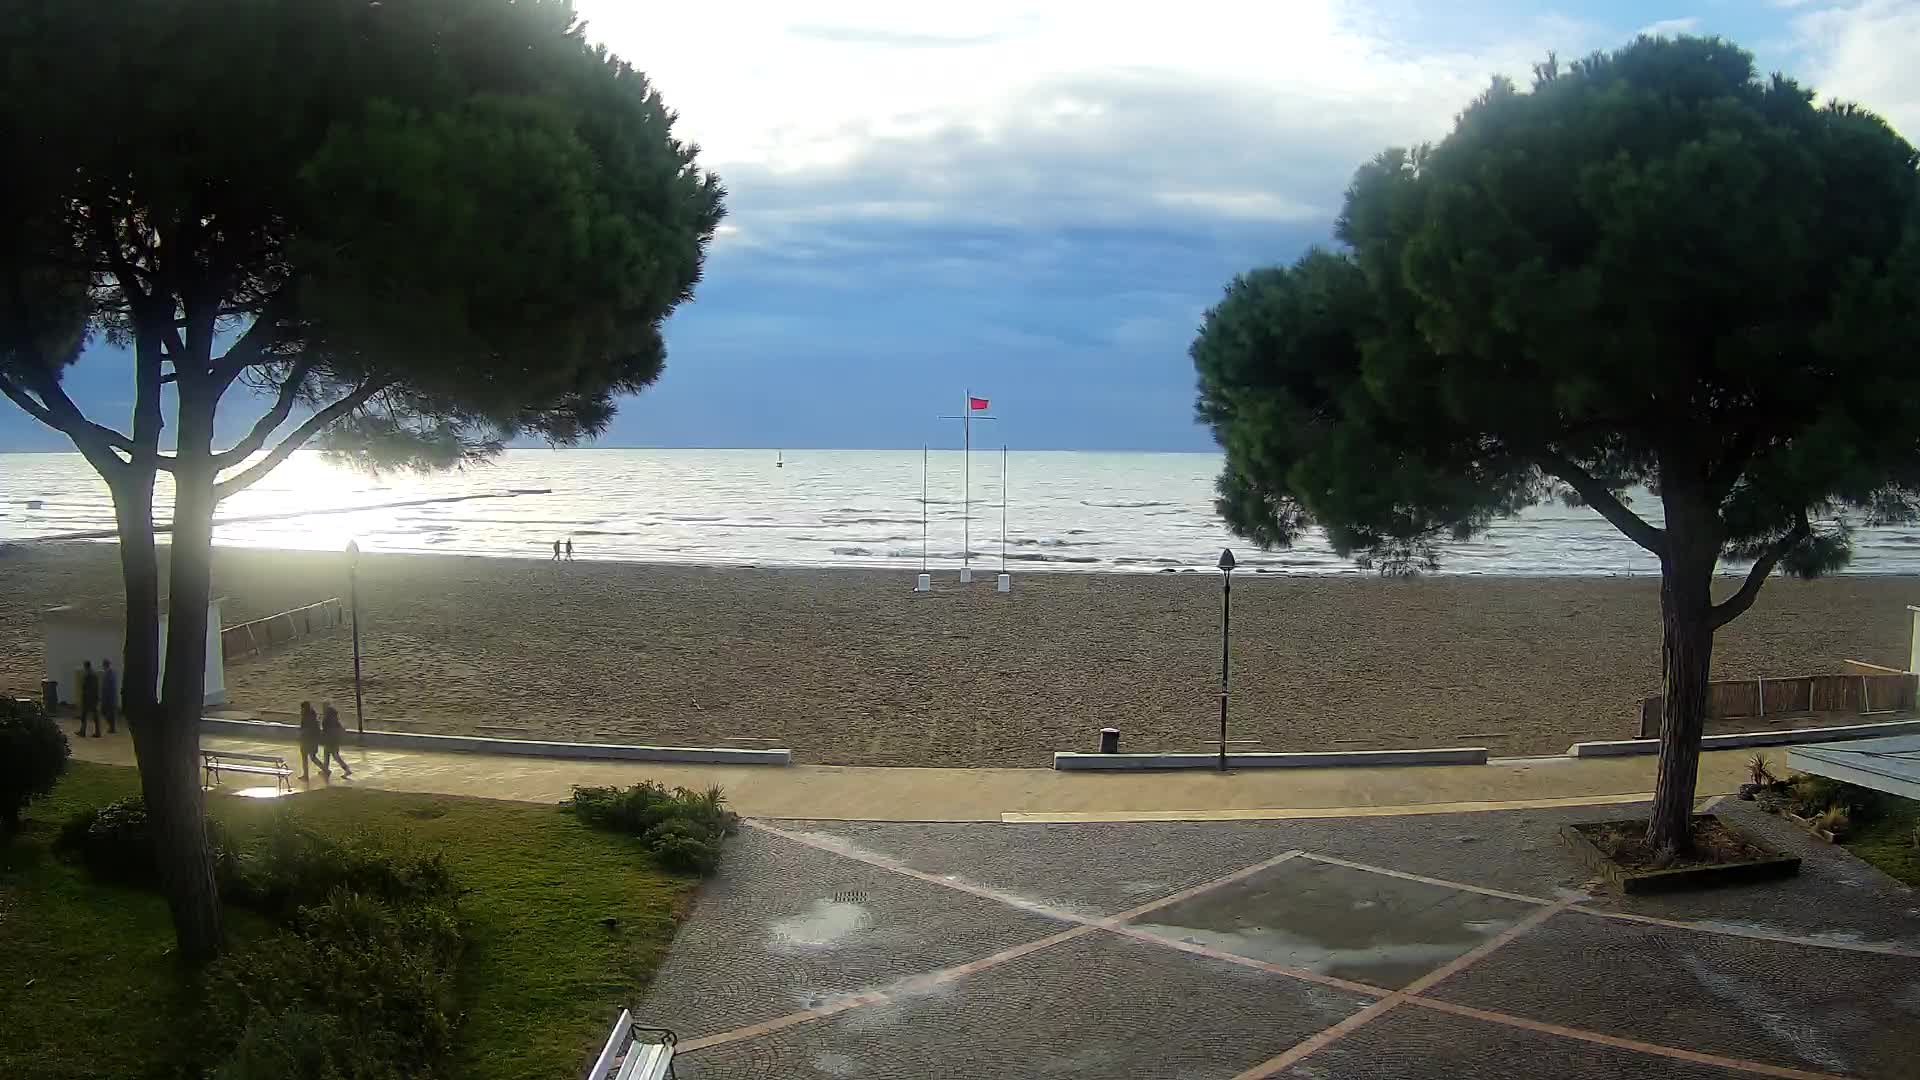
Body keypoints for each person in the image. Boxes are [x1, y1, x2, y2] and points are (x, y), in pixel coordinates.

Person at [320, 701, 353, 778]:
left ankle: (347, 769)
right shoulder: (334, 718)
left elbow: (326, 729)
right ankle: (325, 770)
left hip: (330, 739)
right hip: (333, 739)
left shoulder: (327, 718)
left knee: (334, 756)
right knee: (327, 755)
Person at [298, 701, 326, 781]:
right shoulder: (313, 717)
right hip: (313, 740)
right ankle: (325, 770)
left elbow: (305, 729)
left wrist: (302, 735)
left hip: (307, 740)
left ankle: (306, 775)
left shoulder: (306, 717)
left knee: (305, 758)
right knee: (313, 757)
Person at [78, 660, 100, 738]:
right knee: (95, 715)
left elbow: (86, 688)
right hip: (94, 698)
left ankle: (82, 731)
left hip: (88, 698)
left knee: (84, 715)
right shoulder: (94, 674)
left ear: (86, 666)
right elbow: (96, 687)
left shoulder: (88, 675)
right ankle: (98, 732)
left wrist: (84, 696)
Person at [101, 659, 119, 735]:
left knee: (109, 713)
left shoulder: (109, 674)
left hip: (109, 697)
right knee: (109, 713)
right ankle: (112, 727)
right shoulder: (110, 673)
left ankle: (112, 728)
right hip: (111, 697)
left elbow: (108, 687)